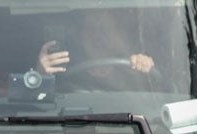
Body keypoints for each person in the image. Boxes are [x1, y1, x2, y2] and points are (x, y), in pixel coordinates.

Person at [34, 9, 163, 92]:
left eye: (104, 29)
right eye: (90, 28)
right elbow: (34, 107)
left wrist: (146, 70)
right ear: (81, 38)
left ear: (118, 36)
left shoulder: (132, 70)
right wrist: (39, 76)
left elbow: (159, 103)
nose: (97, 35)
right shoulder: (61, 70)